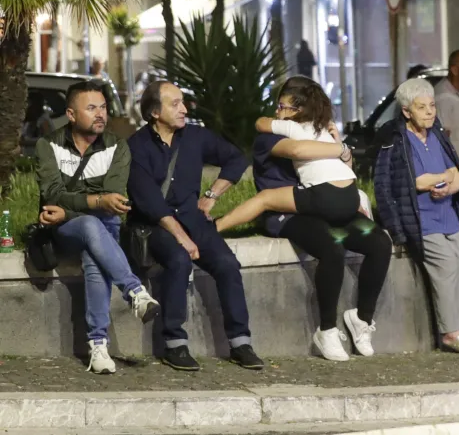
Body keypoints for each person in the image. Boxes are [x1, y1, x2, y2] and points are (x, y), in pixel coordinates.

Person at [127, 81, 264, 372]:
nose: (184, 109)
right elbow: (151, 202)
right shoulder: (136, 147)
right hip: (155, 224)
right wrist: (182, 238)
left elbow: (236, 158)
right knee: (178, 260)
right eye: (175, 104)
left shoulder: (195, 136)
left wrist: (212, 194)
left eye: (183, 102)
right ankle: (174, 344)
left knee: (227, 264)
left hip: (193, 218)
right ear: (154, 112)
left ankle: (240, 342)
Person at [253, 76, 391, 361]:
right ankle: (326, 329)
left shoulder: (315, 131)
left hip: (322, 206)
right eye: (278, 105)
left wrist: (339, 146)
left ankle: (362, 318)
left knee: (379, 242)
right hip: (290, 210)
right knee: (332, 247)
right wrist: (339, 148)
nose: (278, 111)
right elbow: (294, 148)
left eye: (284, 106)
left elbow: (343, 169)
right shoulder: (275, 134)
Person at [35, 80, 160, 374]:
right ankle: (134, 292)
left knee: (95, 254)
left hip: (101, 224)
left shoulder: (117, 147)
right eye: (91, 108)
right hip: (64, 230)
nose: (100, 114)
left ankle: (98, 346)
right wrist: (93, 202)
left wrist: (73, 207)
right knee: (92, 223)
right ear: (71, 114)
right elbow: (52, 194)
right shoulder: (48, 145)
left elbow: (112, 199)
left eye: (103, 107)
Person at [374, 78, 459, 353]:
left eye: (432, 105)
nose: (430, 112)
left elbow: (457, 174)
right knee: (446, 265)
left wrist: (449, 185)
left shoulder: (437, 135)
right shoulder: (396, 140)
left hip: (448, 215)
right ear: (407, 111)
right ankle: (450, 333)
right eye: (422, 107)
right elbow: (410, 182)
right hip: (421, 219)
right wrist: (441, 177)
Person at [214, 85, 362, 233]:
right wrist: (342, 148)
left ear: (298, 111)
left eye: (281, 106)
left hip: (323, 194)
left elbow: (261, 123)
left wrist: (340, 149)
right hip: (351, 194)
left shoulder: (291, 126)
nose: (276, 111)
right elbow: (346, 168)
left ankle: (215, 227)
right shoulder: (324, 129)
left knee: (264, 198)